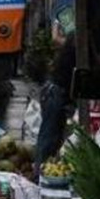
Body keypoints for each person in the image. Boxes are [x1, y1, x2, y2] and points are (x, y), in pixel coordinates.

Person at [34, 21, 76, 177]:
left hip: (53, 91)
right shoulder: (78, 40)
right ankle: (40, 176)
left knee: (51, 137)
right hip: (55, 92)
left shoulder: (73, 38)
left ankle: (41, 173)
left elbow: (57, 39)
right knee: (49, 138)